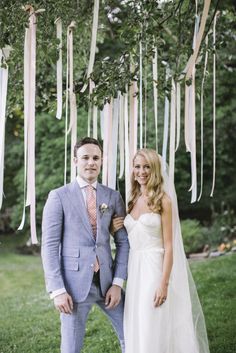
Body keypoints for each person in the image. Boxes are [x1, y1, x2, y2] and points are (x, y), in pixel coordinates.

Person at [113, 148, 210, 353]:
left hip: (154, 268)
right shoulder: (132, 199)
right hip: (135, 269)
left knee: (152, 319)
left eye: (147, 166)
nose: (141, 171)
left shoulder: (163, 200)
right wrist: (115, 228)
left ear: (155, 169)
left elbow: (169, 246)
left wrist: (163, 284)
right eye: (137, 166)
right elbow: (129, 237)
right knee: (138, 322)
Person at [41, 137, 129, 353]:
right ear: (75, 161)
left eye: (96, 158)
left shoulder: (113, 196)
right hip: (73, 286)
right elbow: (50, 246)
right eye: (85, 158)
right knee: (71, 348)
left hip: (108, 282)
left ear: (102, 161)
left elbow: (124, 242)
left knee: (133, 334)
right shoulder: (58, 196)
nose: (91, 163)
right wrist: (58, 291)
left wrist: (118, 283)